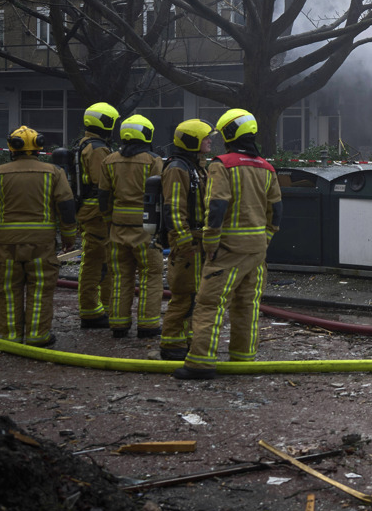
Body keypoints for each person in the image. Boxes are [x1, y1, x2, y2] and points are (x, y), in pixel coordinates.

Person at [174, 108, 282, 380]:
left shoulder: (221, 164)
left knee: (210, 303)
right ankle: (243, 360)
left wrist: (211, 243)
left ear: (230, 134)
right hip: (257, 250)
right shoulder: (266, 167)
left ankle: (200, 362)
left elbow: (217, 206)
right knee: (247, 304)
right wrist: (265, 238)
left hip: (228, 249)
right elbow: (276, 211)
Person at [0, 126, 78, 347]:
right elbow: (66, 207)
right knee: (40, 288)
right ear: (39, 148)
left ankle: (11, 337)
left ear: (11, 148)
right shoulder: (54, 172)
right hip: (42, 244)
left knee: (9, 290)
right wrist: (69, 238)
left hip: (7, 244)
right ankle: (37, 336)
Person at [99, 114, 164, 339]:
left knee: (119, 276)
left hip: (117, 228)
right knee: (151, 275)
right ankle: (148, 325)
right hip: (147, 229)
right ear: (147, 134)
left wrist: (110, 220)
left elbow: (103, 197)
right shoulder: (153, 160)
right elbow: (160, 197)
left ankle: (118, 324)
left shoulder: (109, 160)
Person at [159, 119, 211, 361]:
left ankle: (187, 340)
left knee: (196, 295)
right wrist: (184, 242)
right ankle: (171, 345)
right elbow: (174, 208)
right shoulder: (177, 169)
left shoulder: (195, 166)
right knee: (183, 295)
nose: (210, 141)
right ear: (193, 141)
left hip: (197, 241)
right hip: (188, 243)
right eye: (205, 137)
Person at [74, 102, 119, 329]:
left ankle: (103, 307)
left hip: (90, 212)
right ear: (106, 123)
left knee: (102, 260)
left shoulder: (85, 144)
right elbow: (102, 182)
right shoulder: (98, 149)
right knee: (96, 262)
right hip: (97, 214)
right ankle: (91, 310)